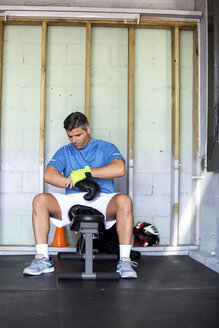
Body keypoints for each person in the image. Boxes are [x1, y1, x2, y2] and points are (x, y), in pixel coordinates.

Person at [23, 112, 138, 278]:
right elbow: (49, 175)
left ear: (88, 129)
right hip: (73, 200)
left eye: (78, 135)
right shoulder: (65, 151)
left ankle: (125, 261)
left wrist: (86, 172)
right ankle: (42, 259)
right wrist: (77, 183)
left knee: (125, 201)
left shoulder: (105, 147)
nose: (74, 140)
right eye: (70, 136)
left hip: (103, 199)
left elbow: (119, 169)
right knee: (40, 200)